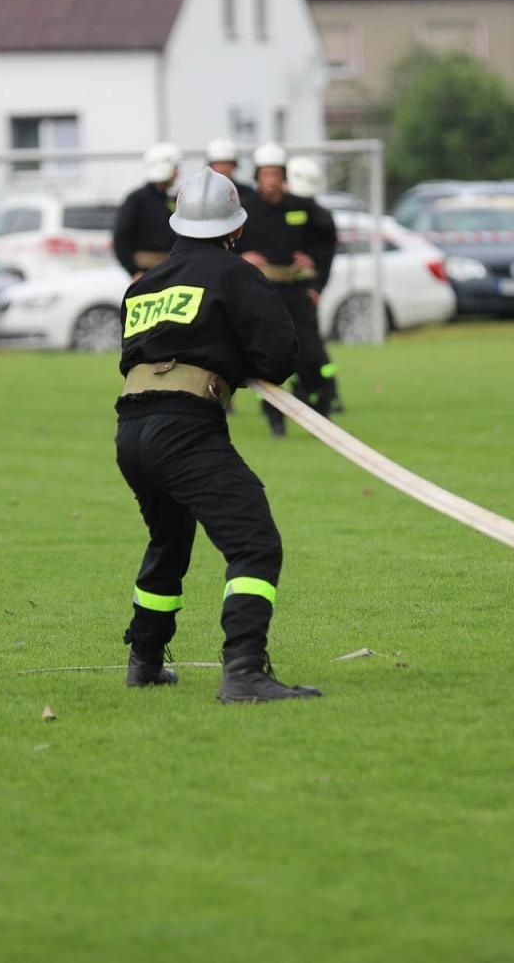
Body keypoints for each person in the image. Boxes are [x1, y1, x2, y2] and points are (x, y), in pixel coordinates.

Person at [114, 166, 323, 704]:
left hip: (132, 430)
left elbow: (135, 356)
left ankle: (145, 660)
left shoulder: (144, 285)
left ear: (177, 225)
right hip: (186, 427)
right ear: (236, 230)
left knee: (169, 539)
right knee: (254, 543)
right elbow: (277, 360)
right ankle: (245, 672)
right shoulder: (238, 275)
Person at [236, 142, 334, 436]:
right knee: (268, 355)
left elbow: (325, 245)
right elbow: (223, 244)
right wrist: (240, 258)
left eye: (276, 173)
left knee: (311, 353)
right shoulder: (245, 209)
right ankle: (274, 417)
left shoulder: (300, 208)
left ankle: (315, 401)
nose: (271, 179)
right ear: (257, 175)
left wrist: (315, 275)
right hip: (263, 293)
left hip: (297, 292)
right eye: (265, 173)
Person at [283, 154, 344, 415]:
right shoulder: (277, 210)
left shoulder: (319, 217)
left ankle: (324, 391)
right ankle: (319, 391)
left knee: (310, 347)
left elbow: (325, 258)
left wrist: (316, 285)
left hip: (305, 292)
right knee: (307, 345)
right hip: (292, 290)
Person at [113, 142, 181, 277]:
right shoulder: (137, 199)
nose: (178, 173)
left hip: (171, 270)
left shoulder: (171, 199)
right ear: (165, 168)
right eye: (175, 168)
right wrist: (133, 271)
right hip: (147, 274)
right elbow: (120, 237)